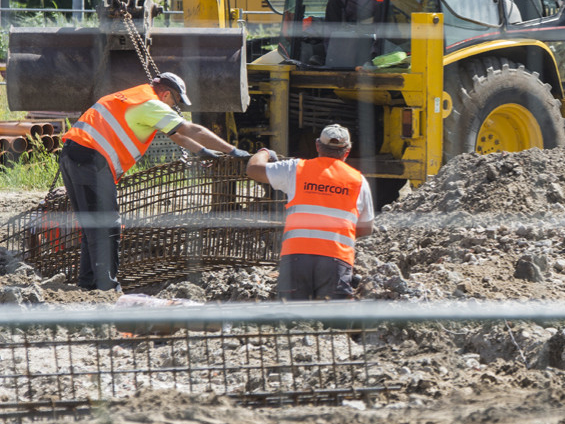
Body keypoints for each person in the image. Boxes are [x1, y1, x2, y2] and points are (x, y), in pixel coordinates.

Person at [60, 72, 251, 292]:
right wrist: (233, 150)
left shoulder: (134, 97)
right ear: (167, 94)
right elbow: (192, 129)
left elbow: (177, 136)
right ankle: (107, 288)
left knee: (93, 224)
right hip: (91, 159)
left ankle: (89, 284)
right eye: (175, 102)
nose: (175, 107)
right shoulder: (152, 104)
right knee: (107, 225)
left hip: (74, 156)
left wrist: (203, 151)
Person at [245, 124, 374, 301]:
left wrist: (265, 152)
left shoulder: (295, 169)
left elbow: (253, 169)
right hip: (336, 259)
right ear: (347, 151)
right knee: (335, 324)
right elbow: (366, 229)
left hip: (296, 259)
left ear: (317, 146)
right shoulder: (359, 181)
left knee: (293, 320)